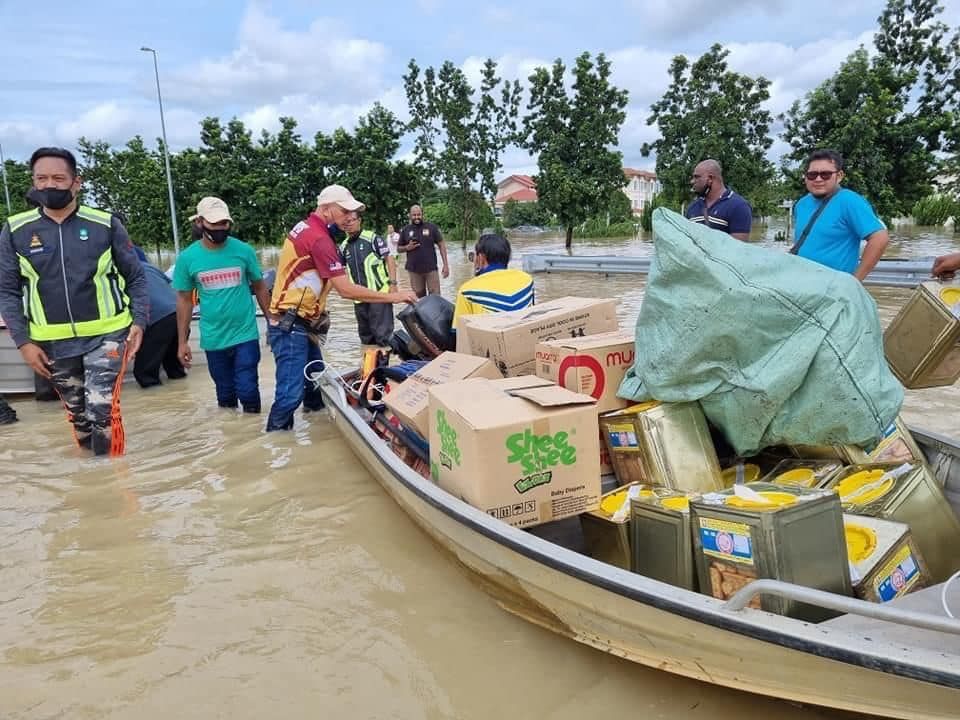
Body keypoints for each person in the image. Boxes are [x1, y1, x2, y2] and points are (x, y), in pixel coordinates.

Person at [0, 146, 147, 455]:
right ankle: (90, 481)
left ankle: (113, 484)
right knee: (79, 417)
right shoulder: (15, 230)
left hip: (107, 336)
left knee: (102, 411)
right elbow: (8, 291)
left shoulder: (105, 224)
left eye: (58, 178)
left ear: (76, 182)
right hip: (51, 342)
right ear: (33, 181)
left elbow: (136, 277)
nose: (49, 185)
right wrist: (24, 343)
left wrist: (140, 322)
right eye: (41, 178)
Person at [266, 185, 417, 432]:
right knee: (290, 396)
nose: (350, 217)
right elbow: (345, 289)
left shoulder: (306, 228)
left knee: (315, 386)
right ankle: (277, 444)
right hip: (292, 325)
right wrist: (395, 295)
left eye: (353, 212)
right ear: (326, 209)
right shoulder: (320, 240)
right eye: (345, 210)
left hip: (299, 322)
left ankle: (316, 436)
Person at [172, 197, 272, 413]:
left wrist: (272, 321)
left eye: (224, 223)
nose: (220, 228)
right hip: (213, 338)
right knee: (225, 397)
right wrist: (182, 342)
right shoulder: (188, 258)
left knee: (248, 391)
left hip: (245, 334)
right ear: (199, 222)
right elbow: (184, 300)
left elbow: (260, 287)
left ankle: (254, 436)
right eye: (214, 224)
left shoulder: (243, 251)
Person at [792, 149, 889, 281]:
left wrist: (855, 281)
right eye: (812, 175)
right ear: (805, 177)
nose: (818, 179)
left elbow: (880, 238)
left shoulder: (850, 201)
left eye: (825, 174)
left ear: (839, 175)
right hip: (802, 284)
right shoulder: (801, 204)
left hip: (833, 289)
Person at [339, 211, 398, 346]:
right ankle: (370, 366)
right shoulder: (343, 247)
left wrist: (393, 284)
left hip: (379, 296)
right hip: (359, 300)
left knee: (384, 339)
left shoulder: (372, 239)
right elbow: (339, 272)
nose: (349, 224)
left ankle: (386, 364)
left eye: (351, 220)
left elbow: (389, 258)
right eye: (345, 222)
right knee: (366, 341)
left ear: (359, 220)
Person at [131, 246, 186, 388]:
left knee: (144, 374)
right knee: (174, 368)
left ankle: (156, 403)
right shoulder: (151, 268)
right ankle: (181, 397)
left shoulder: (123, 272)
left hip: (158, 321)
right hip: (180, 316)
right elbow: (168, 283)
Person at [453, 233, 534, 327]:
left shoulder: (466, 291)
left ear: (481, 258)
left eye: (475, 255)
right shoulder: (527, 280)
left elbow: (458, 332)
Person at [685, 159, 753, 240]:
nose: (692, 181)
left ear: (710, 178)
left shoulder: (739, 207)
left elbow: (739, 248)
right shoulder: (692, 208)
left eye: (697, 177)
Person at [397, 204, 449, 297]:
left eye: (419, 214)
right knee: (418, 299)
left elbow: (441, 244)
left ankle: (435, 312)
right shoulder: (405, 230)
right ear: (410, 215)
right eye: (414, 215)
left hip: (431, 269)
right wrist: (407, 247)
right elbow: (398, 248)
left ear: (422, 215)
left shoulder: (431, 227)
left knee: (435, 297)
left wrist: (445, 265)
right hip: (414, 270)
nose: (417, 217)